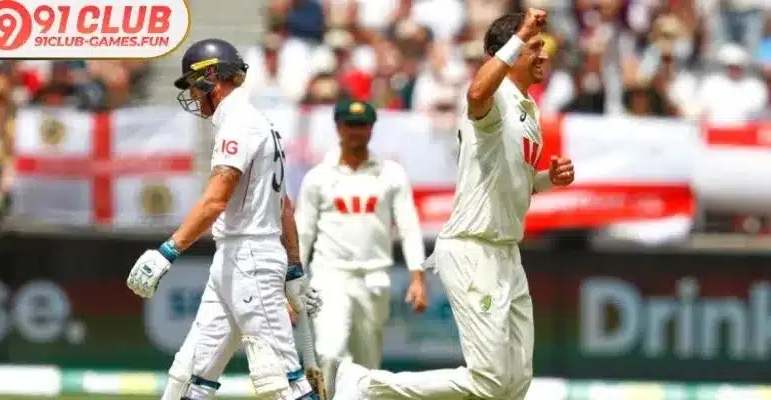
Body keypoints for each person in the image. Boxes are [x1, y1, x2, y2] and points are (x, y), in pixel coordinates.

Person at [331, 9, 576, 400]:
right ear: (508, 53)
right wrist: (518, 38)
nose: (543, 54)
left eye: (541, 46)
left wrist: (549, 179)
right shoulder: (495, 98)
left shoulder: (529, 113)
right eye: (533, 47)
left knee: (515, 383)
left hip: (506, 252)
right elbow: (476, 93)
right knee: (491, 379)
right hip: (473, 247)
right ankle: (365, 385)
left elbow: (515, 186)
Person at [125, 38, 323, 400]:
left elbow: (215, 201)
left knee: (282, 382)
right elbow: (285, 206)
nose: (192, 95)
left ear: (211, 77)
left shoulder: (238, 122)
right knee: (191, 376)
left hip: (250, 259)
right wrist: (293, 266)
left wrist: (167, 251)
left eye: (193, 85)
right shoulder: (259, 122)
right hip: (235, 260)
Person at [294, 99, 428, 394]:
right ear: (338, 128)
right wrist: (291, 283)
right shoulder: (318, 177)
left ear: (372, 128)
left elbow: (408, 226)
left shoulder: (391, 174)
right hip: (329, 275)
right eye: (350, 125)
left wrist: (418, 277)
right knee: (329, 352)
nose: (356, 132)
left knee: (368, 367)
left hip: (374, 277)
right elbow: (303, 233)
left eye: (363, 125)